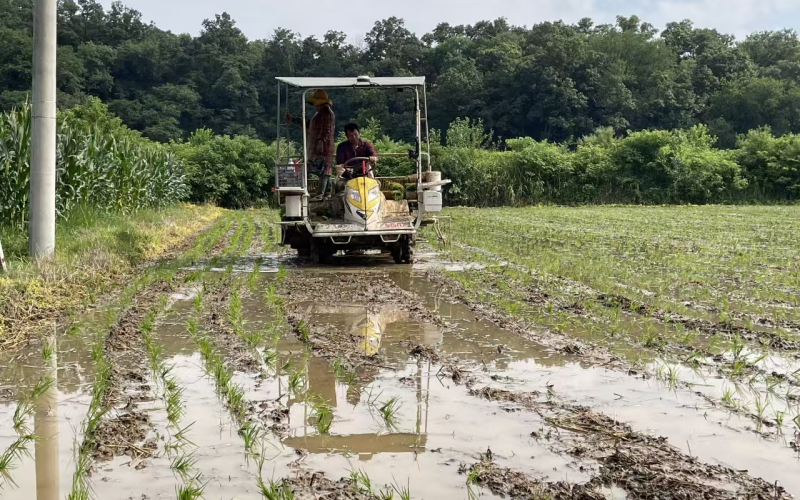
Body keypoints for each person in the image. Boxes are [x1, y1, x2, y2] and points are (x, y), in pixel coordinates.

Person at [286, 90, 335, 200]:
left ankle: (321, 194)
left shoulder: (326, 113)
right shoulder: (321, 113)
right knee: (324, 169)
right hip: (319, 145)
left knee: (323, 169)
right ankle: (325, 193)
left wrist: (321, 142)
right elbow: (309, 125)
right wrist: (294, 120)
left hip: (322, 146)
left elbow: (327, 130)